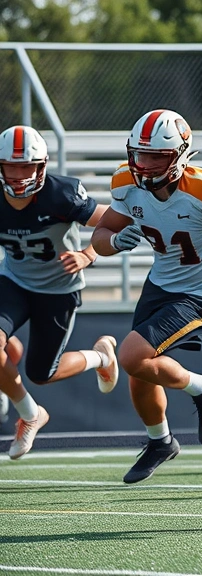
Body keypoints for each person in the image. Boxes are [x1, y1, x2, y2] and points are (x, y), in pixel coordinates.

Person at [92, 110, 202, 483]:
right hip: (161, 285)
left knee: (130, 356)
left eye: (157, 156)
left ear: (182, 155)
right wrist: (113, 242)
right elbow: (100, 235)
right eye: (140, 155)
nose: (146, 165)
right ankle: (161, 441)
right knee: (139, 375)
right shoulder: (126, 182)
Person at [0, 125, 119, 459]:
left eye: (27, 166)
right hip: (13, 282)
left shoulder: (60, 194)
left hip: (57, 290)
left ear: (42, 166)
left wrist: (89, 255)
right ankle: (29, 414)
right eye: (12, 166)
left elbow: (113, 221)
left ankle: (100, 357)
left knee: (41, 374)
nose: (19, 175)